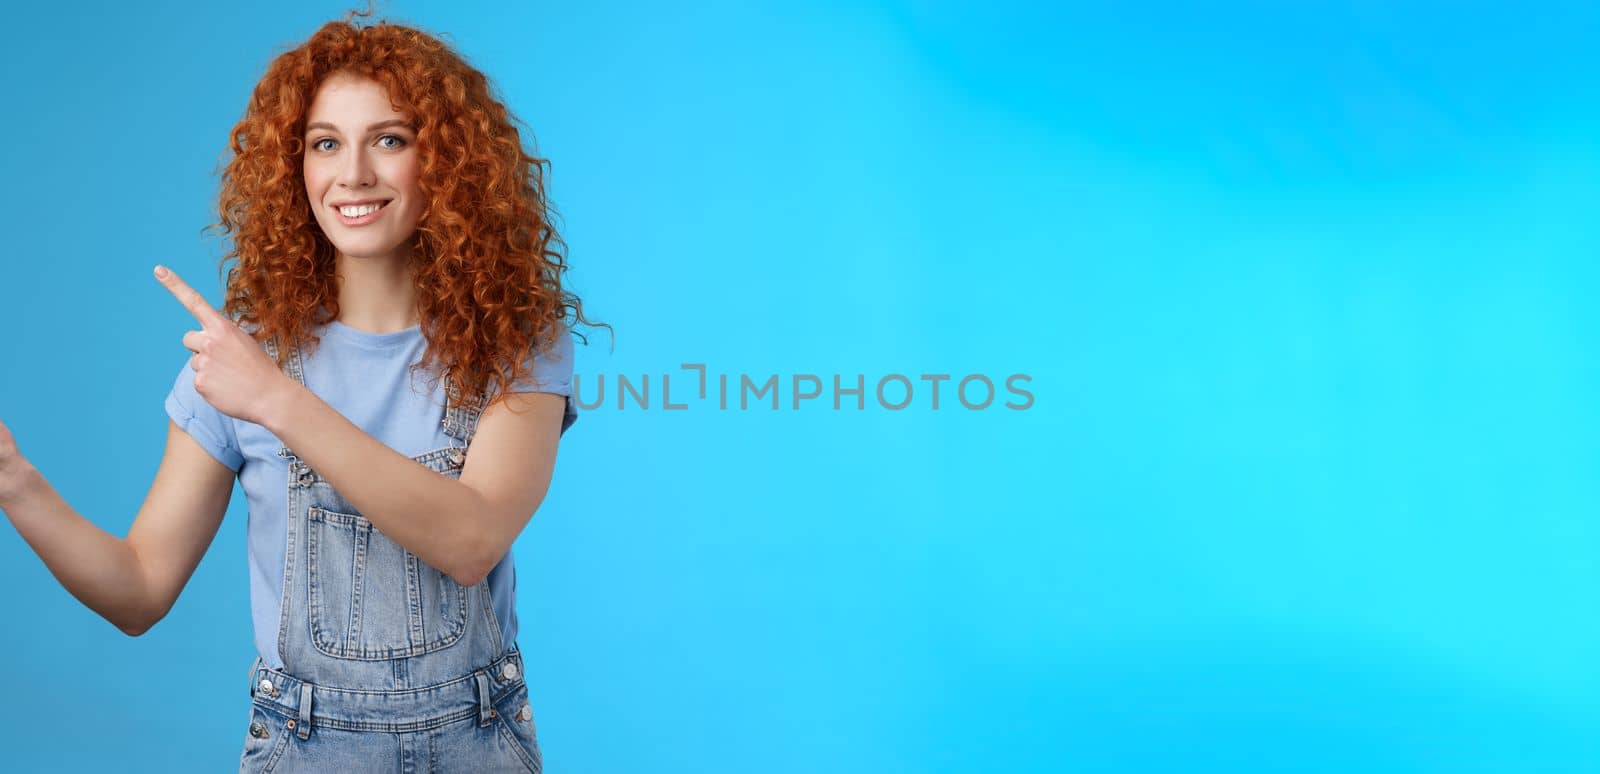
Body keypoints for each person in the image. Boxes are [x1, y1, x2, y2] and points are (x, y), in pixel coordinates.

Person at [0, 10, 602, 772]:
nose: (352, 174)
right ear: (296, 169)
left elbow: (471, 539)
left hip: (478, 743)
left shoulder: (516, 342)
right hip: (306, 747)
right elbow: (139, 591)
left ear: (446, 164)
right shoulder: (241, 363)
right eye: (325, 144)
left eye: (390, 139)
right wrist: (15, 483)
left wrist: (276, 400)